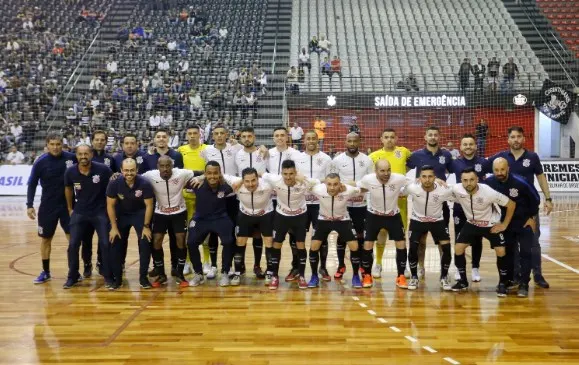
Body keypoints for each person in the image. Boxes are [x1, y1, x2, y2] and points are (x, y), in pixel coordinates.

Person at [488, 126, 552, 288]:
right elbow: (481, 168)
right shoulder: (501, 157)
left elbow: (541, 177)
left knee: (533, 243)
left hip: (528, 209)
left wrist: (548, 198)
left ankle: (537, 274)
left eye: (519, 137)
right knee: (511, 245)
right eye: (513, 137)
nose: (516, 140)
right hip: (506, 210)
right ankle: (516, 276)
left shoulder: (532, 156)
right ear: (508, 139)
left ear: (524, 138)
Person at [451, 167, 516, 296]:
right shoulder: (456, 189)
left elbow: (511, 204)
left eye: (471, 180)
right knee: (458, 248)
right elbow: (439, 189)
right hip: (472, 223)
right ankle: (463, 281)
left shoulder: (488, 192)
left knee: (501, 250)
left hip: (490, 224)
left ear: (477, 180)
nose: (468, 183)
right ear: (461, 181)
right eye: (465, 180)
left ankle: (503, 283)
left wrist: (504, 224)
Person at [485, 158, 540, 297]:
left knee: (526, 253)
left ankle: (524, 284)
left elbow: (535, 199)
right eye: (496, 170)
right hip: (504, 224)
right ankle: (508, 280)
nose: (500, 173)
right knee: (508, 253)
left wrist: (531, 217)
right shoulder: (489, 183)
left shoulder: (520, 182)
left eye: (502, 169)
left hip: (523, 222)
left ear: (508, 168)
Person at [27, 133, 77, 284]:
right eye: (52, 144)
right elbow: (32, 183)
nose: (55, 147)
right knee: (46, 239)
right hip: (48, 206)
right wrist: (29, 205)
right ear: (47, 145)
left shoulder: (71, 158)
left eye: (58, 144)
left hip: (68, 206)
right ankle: (45, 271)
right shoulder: (40, 162)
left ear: (63, 144)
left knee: (72, 239)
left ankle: (74, 272)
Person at [356, 159, 412, 288]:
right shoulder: (368, 179)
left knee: (401, 244)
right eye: (382, 170)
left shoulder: (398, 178)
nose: (386, 173)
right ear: (375, 171)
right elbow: (358, 186)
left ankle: (401, 276)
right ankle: (367, 276)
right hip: (374, 216)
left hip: (393, 216)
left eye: (388, 170)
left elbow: (416, 183)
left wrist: (405, 192)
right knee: (368, 244)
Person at [63, 145, 113, 289]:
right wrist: (70, 208)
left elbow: (113, 184)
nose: (83, 157)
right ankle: (72, 276)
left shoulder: (103, 169)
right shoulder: (70, 171)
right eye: (80, 154)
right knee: (73, 245)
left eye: (86, 154)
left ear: (91, 154)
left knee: (105, 243)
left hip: (100, 212)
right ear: (76, 156)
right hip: (80, 212)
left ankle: (108, 276)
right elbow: (68, 188)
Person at [261, 160, 316, 289]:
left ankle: (301, 276)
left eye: (291, 173)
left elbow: (318, 183)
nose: (288, 177)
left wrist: (304, 179)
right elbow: (262, 174)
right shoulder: (276, 180)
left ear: (295, 173)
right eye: (285, 174)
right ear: (281, 173)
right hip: (281, 216)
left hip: (300, 216)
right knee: (276, 244)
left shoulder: (303, 181)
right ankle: (274, 276)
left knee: (300, 245)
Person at [407, 126, 453, 279]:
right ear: (425, 137)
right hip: (421, 202)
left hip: (440, 203)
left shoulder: (446, 155)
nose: (433, 137)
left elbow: (456, 170)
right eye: (430, 135)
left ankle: (444, 272)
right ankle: (421, 267)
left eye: (435, 135)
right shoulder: (416, 155)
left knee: (443, 240)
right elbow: (403, 169)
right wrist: (411, 181)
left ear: (439, 137)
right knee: (420, 240)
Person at [142, 156, 195, 287]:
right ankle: (161, 275)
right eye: (162, 166)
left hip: (179, 212)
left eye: (168, 166)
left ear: (172, 166)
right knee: (156, 241)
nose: (165, 169)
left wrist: (201, 177)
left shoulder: (182, 173)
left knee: (181, 240)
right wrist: (117, 176)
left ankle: (180, 274)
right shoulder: (150, 175)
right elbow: (134, 177)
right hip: (160, 213)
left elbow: (200, 172)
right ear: (157, 166)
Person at [217, 168, 274, 285]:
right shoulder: (236, 182)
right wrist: (199, 177)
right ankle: (238, 272)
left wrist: (261, 173)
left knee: (269, 240)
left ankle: (270, 271)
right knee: (240, 240)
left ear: (258, 179)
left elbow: (281, 178)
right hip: (245, 214)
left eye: (253, 180)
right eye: (247, 181)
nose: (250, 184)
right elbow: (219, 174)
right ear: (242, 180)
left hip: (265, 213)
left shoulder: (267, 183)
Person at [368, 128, 412, 279]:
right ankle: (378, 264)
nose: (389, 140)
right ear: (381, 139)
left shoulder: (404, 152)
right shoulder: (373, 156)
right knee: (381, 234)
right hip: (380, 204)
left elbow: (409, 168)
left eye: (392, 137)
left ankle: (402, 265)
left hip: (400, 204)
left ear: (397, 138)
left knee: (401, 236)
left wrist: (403, 189)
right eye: (386, 137)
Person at [200, 125, 242, 278]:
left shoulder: (236, 149)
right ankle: (213, 266)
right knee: (212, 232)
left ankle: (228, 265)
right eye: (216, 133)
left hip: (230, 197)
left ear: (226, 134)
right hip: (213, 196)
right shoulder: (206, 151)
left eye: (221, 133)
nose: (219, 136)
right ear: (213, 135)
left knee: (229, 233)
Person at [329, 133, 373, 279]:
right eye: (350, 141)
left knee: (361, 235)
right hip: (343, 205)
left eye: (355, 141)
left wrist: (358, 187)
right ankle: (341, 265)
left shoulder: (367, 160)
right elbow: (332, 182)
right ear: (345, 142)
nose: (352, 143)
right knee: (342, 235)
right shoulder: (337, 160)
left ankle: (360, 263)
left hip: (362, 205)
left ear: (359, 142)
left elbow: (371, 183)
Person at [106, 159, 155, 289]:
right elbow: (110, 206)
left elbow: (149, 205)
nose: (129, 173)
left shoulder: (144, 183)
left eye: (132, 170)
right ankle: (117, 279)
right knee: (115, 241)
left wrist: (146, 227)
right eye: (126, 170)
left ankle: (143, 278)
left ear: (137, 170)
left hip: (140, 214)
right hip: (122, 214)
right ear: (121, 171)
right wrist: (113, 227)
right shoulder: (114, 183)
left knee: (145, 241)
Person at [450, 134, 491, 283]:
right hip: (460, 207)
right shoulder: (454, 163)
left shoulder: (483, 162)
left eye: (471, 144)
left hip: (479, 208)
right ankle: (458, 268)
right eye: (465, 144)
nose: (468, 147)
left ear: (475, 146)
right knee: (459, 237)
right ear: (460, 147)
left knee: (477, 238)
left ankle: (475, 268)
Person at [186, 161, 235, 287]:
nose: (212, 176)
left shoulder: (225, 186)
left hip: (220, 218)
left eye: (215, 173)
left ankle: (225, 272)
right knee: (191, 243)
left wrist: (220, 178)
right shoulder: (197, 184)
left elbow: (237, 184)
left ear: (219, 174)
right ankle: (198, 274)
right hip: (201, 219)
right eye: (209, 173)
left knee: (229, 242)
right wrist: (201, 176)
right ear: (205, 173)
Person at [308, 173, 363, 288]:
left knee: (354, 246)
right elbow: (305, 183)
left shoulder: (347, 190)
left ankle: (356, 276)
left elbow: (362, 188)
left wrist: (349, 185)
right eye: (329, 184)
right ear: (325, 184)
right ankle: (314, 276)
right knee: (314, 246)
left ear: (340, 184)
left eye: (335, 184)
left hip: (342, 219)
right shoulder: (318, 189)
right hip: (324, 219)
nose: (332, 187)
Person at [405, 166, 454, 290]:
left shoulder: (444, 190)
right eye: (424, 176)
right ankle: (414, 276)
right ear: (419, 178)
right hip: (417, 220)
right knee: (413, 248)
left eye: (430, 176)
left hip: (437, 221)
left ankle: (444, 277)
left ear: (435, 178)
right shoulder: (412, 188)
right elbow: (397, 189)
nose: (427, 180)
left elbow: (460, 193)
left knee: (446, 248)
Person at [296, 131, 333, 281]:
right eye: (308, 138)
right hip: (302, 203)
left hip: (320, 204)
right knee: (298, 237)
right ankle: (297, 268)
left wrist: (313, 182)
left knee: (321, 237)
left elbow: (330, 179)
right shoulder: (297, 158)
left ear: (318, 140)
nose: (311, 141)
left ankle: (323, 267)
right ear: (304, 141)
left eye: (314, 138)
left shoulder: (326, 159)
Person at [234, 127, 269, 278]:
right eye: (244, 136)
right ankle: (239, 267)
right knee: (241, 236)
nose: (247, 138)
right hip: (243, 200)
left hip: (262, 200)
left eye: (249, 136)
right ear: (240, 138)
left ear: (254, 137)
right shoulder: (236, 153)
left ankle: (257, 265)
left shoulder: (263, 152)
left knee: (257, 235)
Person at [177, 125, 209, 273]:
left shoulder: (207, 149)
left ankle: (207, 262)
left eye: (195, 133)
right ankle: (188, 262)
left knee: (206, 230)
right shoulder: (181, 150)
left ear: (200, 135)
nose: (192, 136)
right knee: (189, 230)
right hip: (186, 197)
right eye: (189, 133)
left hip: (204, 197)